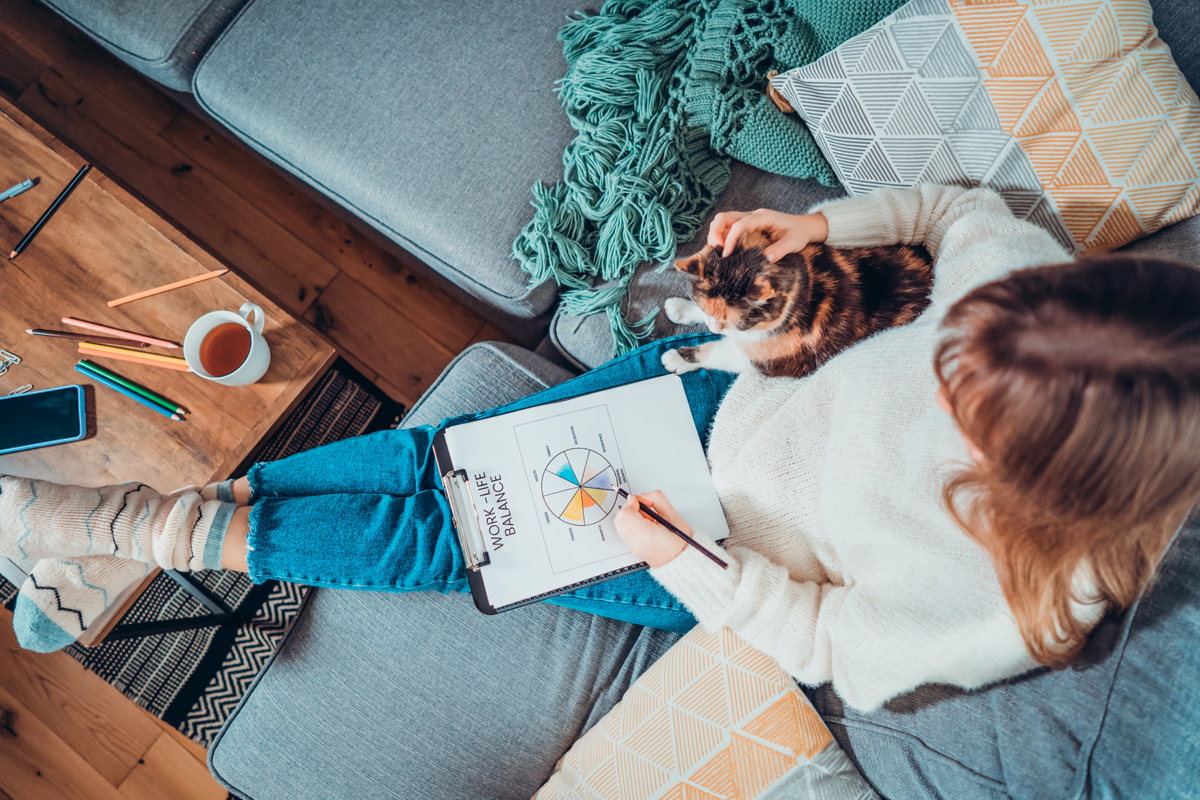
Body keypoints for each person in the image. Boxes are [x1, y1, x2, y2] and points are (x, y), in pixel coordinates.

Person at [4, 185, 1199, 716]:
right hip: (701, 384)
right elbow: (950, 214)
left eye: (961, 403)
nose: (940, 362)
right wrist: (816, 228)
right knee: (442, 458)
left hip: (702, 536)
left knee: (443, 533)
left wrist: (680, 559)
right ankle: (133, 541)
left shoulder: (1015, 597)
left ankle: (135, 530)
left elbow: (831, 645)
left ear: (1053, 478)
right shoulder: (1030, 294)